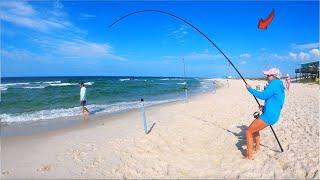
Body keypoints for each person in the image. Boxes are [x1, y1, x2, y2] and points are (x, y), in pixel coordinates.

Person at [244, 68, 285, 160]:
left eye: (268, 75)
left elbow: (263, 95)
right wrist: (264, 107)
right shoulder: (279, 84)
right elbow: (276, 101)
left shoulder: (274, 83)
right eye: (266, 75)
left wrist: (250, 89)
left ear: (274, 76)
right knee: (254, 129)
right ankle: (257, 147)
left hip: (269, 115)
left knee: (248, 131)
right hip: (273, 114)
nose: (266, 77)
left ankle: (249, 157)